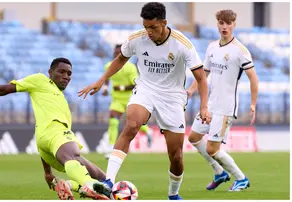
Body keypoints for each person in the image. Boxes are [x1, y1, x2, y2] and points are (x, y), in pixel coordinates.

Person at [78, 2, 211, 200]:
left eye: (153, 27)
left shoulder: (182, 44)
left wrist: (204, 107)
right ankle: (108, 181)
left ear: (164, 23)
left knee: (176, 156)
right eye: (145, 26)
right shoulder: (136, 39)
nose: (148, 31)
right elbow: (120, 59)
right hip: (146, 89)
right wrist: (101, 80)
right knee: (131, 126)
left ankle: (173, 193)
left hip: (172, 97)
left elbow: (200, 77)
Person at [0, 58, 110, 200]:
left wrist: (47, 173)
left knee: (102, 177)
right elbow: (5, 89)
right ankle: (90, 187)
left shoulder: (59, 97)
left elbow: (49, 142)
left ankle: (71, 185)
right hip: (56, 135)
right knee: (75, 159)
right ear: (50, 72)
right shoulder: (40, 80)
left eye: (69, 74)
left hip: (46, 143)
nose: (66, 76)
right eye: (61, 72)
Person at [186, 10, 258, 191]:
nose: (224, 26)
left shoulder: (240, 51)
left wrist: (253, 104)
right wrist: (191, 90)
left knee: (212, 149)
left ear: (234, 24)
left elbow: (254, 78)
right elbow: (205, 74)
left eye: (228, 23)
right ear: (217, 24)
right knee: (194, 137)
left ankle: (241, 179)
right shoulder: (212, 47)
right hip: (210, 105)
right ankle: (219, 172)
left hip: (226, 107)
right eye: (221, 23)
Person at [102, 44, 153, 159]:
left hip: (131, 98)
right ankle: (111, 147)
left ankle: (148, 132)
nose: (116, 55)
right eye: (114, 53)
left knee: (134, 123)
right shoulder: (108, 66)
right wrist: (105, 88)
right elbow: (106, 78)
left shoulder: (130, 68)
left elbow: (135, 84)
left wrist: (121, 88)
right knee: (113, 121)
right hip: (117, 100)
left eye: (118, 53)